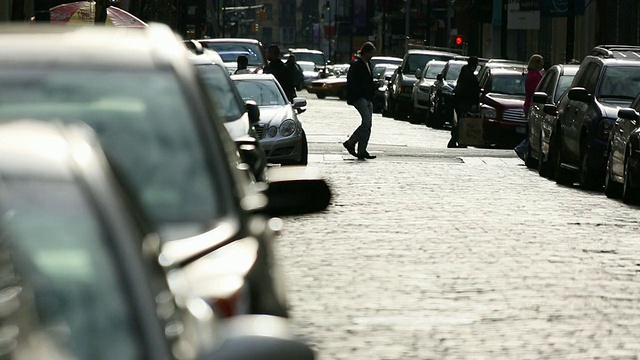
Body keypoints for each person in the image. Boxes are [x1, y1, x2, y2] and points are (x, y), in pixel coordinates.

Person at [343, 42, 377, 160]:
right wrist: (356, 94)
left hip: (367, 97)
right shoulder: (357, 65)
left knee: (368, 124)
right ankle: (351, 142)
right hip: (360, 97)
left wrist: (373, 87)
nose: (372, 55)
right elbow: (352, 82)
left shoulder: (368, 64)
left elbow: (367, 81)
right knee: (366, 122)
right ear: (366, 52)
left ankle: (362, 150)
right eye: (371, 52)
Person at [514, 54, 545, 160]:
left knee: (531, 129)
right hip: (532, 105)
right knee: (534, 130)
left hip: (528, 104)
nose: (543, 64)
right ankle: (522, 147)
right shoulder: (535, 76)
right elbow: (537, 91)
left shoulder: (531, 75)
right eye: (541, 62)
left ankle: (524, 148)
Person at [448, 56, 480, 148]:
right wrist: (474, 103)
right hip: (465, 102)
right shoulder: (470, 77)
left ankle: (455, 139)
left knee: (457, 121)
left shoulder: (464, 71)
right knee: (463, 121)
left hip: (458, 100)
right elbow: (474, 91)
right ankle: (460, 139)